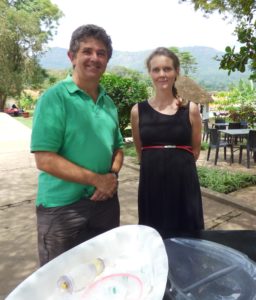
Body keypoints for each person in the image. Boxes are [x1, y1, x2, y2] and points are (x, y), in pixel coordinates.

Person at [31, 24, 124, 266]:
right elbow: (44, 158)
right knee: (60, 280)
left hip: (105, 203)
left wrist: (111, 176)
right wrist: (97, 180)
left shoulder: (108, 103)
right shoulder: (55, 98)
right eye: (87, 51)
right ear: (72, 56)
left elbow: (118, 148)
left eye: (101, 53)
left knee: (103, 271)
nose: (95, 58)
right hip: (62, 209)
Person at [130, 47, 204, 239]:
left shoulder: (191, 109)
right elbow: (140, 151)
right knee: (154, 240)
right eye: (156, 70)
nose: (162, 74)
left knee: (189, 240)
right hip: (151, 184)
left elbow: (195, 151)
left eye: (167, 69)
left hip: (183, 186)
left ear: (176, 72)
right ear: (150, 73)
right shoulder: (138, 111)